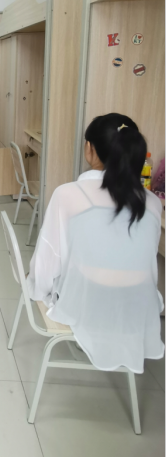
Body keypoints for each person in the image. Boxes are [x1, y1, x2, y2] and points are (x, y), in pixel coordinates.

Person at [27, 113, 164, 373]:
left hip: (82, 306)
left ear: (89, 149)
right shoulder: (153, 203)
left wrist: (36, 290)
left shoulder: (68, 195)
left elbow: (47, 262)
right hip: (136, 309)